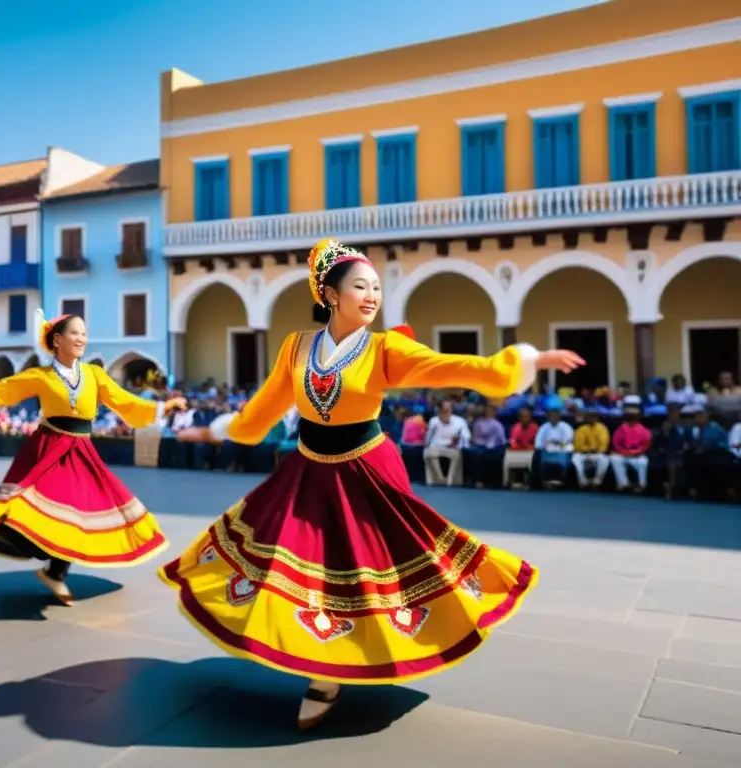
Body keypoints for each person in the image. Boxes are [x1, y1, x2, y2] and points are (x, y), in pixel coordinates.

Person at [159, 240, 584, 730]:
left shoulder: (386, 347)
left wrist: (525, 362)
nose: (372, 296)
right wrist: (216, 431)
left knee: (367, 565)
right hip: (310, 467)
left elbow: (452, 367)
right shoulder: (296, 347)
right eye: (360, 286)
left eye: (377, 288)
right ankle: (324, 668)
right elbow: (264, 408)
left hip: (367, 470)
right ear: (329, 294)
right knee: (305, 567)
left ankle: (335, 670)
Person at [0, 313, 186, 605]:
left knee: (81, 512)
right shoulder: (40, 376)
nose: (81, 339)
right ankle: (43, 556)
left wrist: (161, 407)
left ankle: (54, 572)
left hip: (81, 450)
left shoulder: (94, 375)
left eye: (84, 334)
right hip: (49, 449)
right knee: (45, 508)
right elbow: (1, 390)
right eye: (75, 333)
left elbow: (124, 400)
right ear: (57, 340)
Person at [609, 395, 651, 493]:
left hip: (637, 455)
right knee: (614, 458)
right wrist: (623, 452)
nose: (631, 419)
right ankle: (623, 484)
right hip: (623, 454)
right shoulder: (621, 428)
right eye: (629, 417)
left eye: (634, 417)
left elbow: (646, 445)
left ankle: (642, 485)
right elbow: (616, 443)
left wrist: (635, 452)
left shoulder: (644, 430)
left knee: (643, 461)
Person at [423, 399, 470, 486]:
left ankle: (450, 480)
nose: (446, 412)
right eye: (444, 410)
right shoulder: (433, 421)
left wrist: (458, 443)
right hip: (436, 447)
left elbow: (466, 437)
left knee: (456, 454)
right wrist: (427, 445)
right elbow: (428, 439)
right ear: (439, 410)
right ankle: (439, 478)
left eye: (449, 409)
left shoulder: (460, 421)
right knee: (428, 453)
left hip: (452, 448)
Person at [464, 402, 506, 488]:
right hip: (478, 445)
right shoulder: (478, 422)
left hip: (493, 447)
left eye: (491, 410)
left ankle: (486, 481)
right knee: (468, 451)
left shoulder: (497, 424)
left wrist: (489, 446)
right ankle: (472, 480)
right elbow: (475, 437)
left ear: (494, 412)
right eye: (487, 409)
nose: (488, 411)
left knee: (487, 454)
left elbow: (501, 440)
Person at [570, 408, 610, 489]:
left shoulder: (602, 428)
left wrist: (593, 452)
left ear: (597, 418)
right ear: (586, 418)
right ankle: (583, 482)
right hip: (583, 453)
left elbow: (604, 445)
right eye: (589, 417)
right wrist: (587, 451)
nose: (591, 418)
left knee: (604, 460)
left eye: (593, 417)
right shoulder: (581, 429)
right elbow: (577, 445)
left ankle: (597, 481)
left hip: (597, 453)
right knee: (575, 459)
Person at [535, 405, 574, 488]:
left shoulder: (565, 427)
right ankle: (544, 481)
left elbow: (568, 440)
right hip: (547, 450)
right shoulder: (543, 427)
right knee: (538, 454)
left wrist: (557, 443)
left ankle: (562, 481)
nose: (553, 418)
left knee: (568, 450)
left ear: (559, 417)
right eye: (551, 416)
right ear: (548, 417)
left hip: (561, 449)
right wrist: (545, 445)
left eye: (555, 416)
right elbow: (538, 442)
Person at [503, 407, 537, 488]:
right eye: (523, 416)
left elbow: (537, 443)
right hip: (517, 451)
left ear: (530, 417)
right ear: (519, 418)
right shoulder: (515, 428)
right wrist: (519, 446)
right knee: (507, 456)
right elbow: (513, 441)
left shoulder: (535, 428)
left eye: (527, 416)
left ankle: (530, 483)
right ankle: (506, 482)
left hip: (530, 452)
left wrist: (528, 447)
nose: (525, 418)